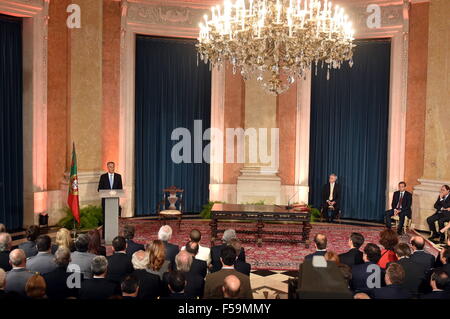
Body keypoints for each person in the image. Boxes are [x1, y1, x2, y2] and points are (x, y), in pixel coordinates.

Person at [98, 161, 123, 234]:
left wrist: (115, 193)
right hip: (106, 202)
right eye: (110, 167)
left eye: (113, 167)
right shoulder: (103, 177)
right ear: (108, 167)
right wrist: (108, 193)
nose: (112, 168)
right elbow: (99, 189)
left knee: (114, 218)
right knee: (106, 218)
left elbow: (120, 189)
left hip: (114, 201)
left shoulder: (118, 176)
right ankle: (105, 234)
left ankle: (114, 233)